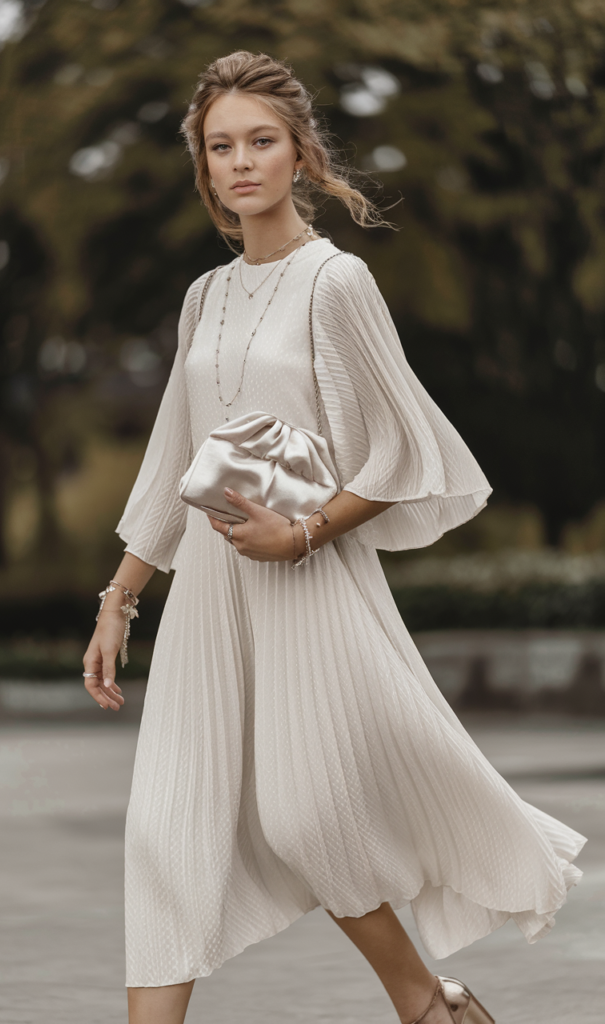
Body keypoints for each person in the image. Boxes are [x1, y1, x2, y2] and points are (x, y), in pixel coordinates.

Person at [82, 51, 586, 1024]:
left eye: (259, 141)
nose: (240, 162)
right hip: (208, 604)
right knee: (165, 831)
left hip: (307, 589)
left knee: (309, 817)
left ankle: (421, 997)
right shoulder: (203, 296)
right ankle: (426, 1005)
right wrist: (121, 596)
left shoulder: (335, 281)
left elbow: (402, 449)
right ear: (204, 167)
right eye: (219, 146)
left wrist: (305, 532)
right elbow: (168, 462)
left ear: (301, 152)